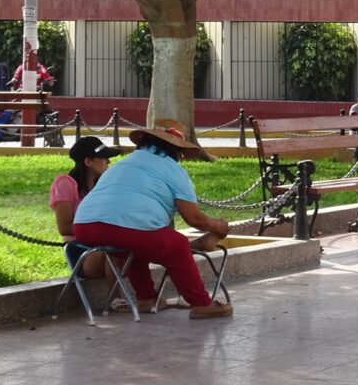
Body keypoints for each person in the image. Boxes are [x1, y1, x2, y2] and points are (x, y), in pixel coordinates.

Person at [73, 120, 233, 319]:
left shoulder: (122, 164)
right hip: (124, 226)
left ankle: (146, 298)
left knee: (131, 246)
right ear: (176, 150)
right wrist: (218, 225)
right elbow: (194, 218)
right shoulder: (172, 169)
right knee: (177, 245)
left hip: (83, 226)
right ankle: (201, 303)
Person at [49, 136, 122, 279]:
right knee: (113, 252)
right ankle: (118, 299)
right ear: (88, 161)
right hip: (80, 249)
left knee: (137, 246)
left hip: (107, 242)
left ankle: (146, 297)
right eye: (103, 157)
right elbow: (64, 227)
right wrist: (100, 230)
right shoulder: (66, 184)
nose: (108, 162)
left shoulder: (105, 184)